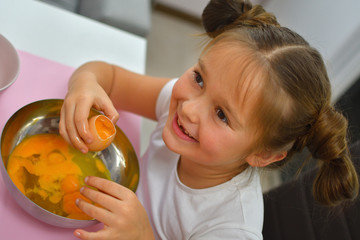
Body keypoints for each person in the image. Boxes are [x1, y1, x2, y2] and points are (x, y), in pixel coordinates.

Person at [59, 0, 359, 239]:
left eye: (221, 114)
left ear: (263, 154)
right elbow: (108, 77)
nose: (190, 108)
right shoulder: (182, 105)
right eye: (200, 78)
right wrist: (84, 84)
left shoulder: (230, 228)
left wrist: (142, 235)